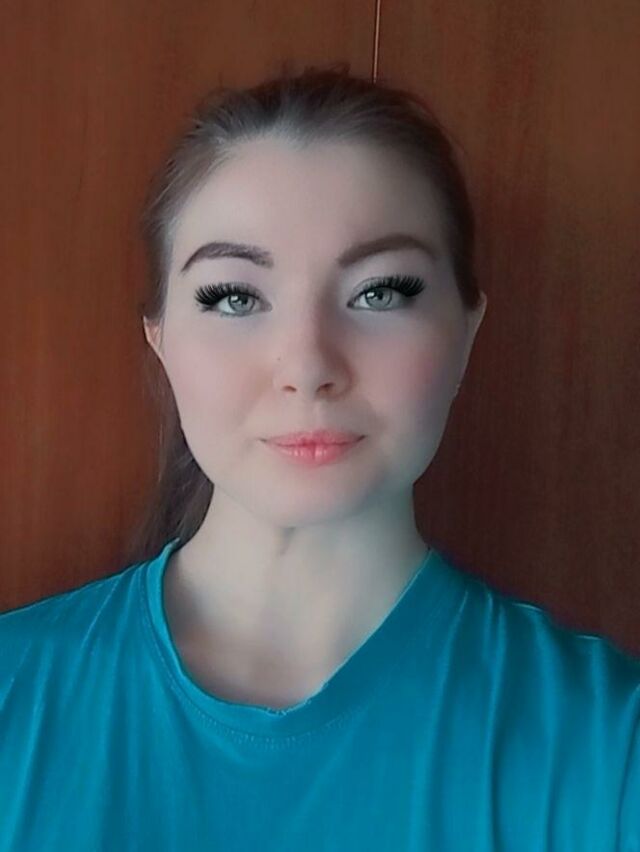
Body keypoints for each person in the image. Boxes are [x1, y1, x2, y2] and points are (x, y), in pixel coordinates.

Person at [1, 63, 638, 850]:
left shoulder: (610, 749)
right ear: (160, 341)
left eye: (381, 291)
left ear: (466, 333)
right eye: (234, 297)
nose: (307, 365)